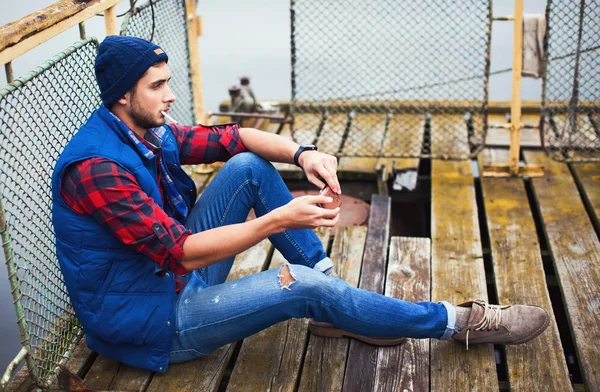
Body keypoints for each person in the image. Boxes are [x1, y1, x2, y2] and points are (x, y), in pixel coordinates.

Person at [51, 36, 550, 374]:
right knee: (301, 287)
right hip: (153, 321)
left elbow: (233, 138)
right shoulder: (99, 169)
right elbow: (179, 253)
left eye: (168, 81)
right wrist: (278, 219)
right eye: (158, 86)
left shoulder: (145, 129)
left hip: (170, 280)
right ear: (122, 96)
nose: (172, 95)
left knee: (249, 167)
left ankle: (338, 303)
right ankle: (458, 322)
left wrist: (304, 153)